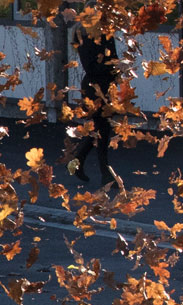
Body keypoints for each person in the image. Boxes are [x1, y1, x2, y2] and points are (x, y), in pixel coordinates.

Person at [65, 3, 121, 187]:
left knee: (101, 130)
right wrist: (110, 67)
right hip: (94, 86)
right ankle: (105, 174)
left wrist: (116, 71)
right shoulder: (83, 34)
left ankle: (79, 161)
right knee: (102, 130)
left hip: (105, 86)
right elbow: (91, 65)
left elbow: (113, 56)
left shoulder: (105, 32)